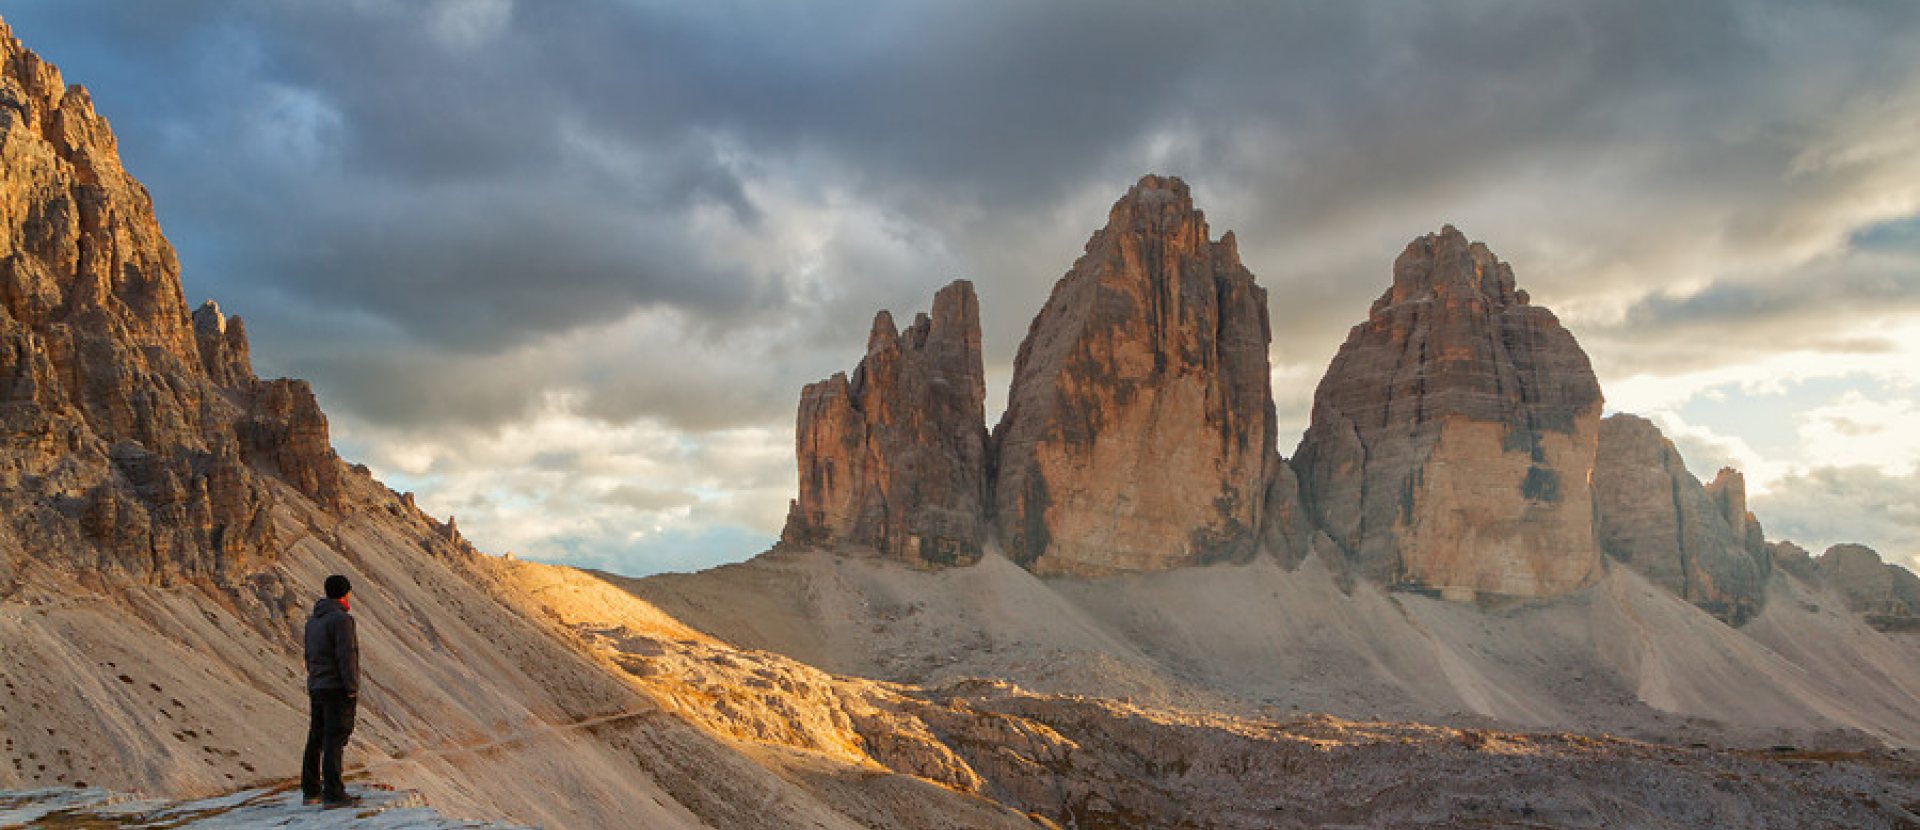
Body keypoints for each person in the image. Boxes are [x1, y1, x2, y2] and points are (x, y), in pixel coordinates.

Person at [301, 574, 361, 808]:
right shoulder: (341, 620)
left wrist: (315, 679)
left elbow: (309, 655)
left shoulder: (313, 621)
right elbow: (347, 655)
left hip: (317, 686)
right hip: (336, 687)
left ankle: (311, 790)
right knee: (335, 738)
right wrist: (351, 687)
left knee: (316, 737)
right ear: (345, 593)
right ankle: (334, 794)